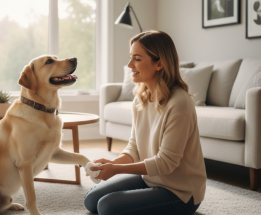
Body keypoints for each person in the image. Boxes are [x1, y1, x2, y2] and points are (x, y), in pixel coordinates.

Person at [84, 30, 207, 215]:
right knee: (92, 200)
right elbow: (134, 148)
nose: (129, 65)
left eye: (137, 58)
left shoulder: (180, 102)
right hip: (150, 179)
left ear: (159, 63)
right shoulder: (140, 98)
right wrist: (112, 164)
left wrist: (116, 169)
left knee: (107, 207)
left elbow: (166, 163)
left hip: (180, 193)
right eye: (130, 57)